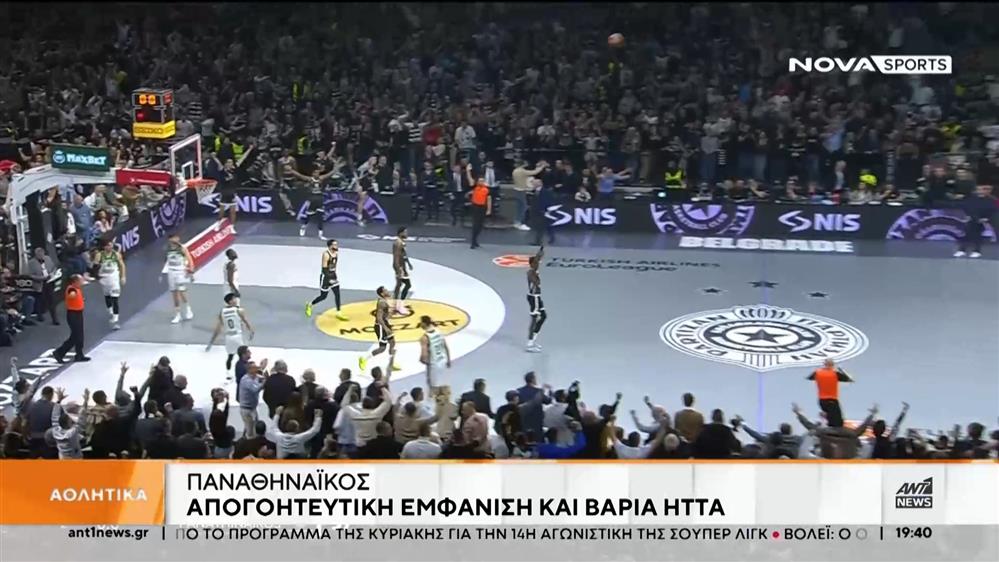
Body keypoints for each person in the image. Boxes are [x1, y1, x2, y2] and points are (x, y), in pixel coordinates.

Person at [206, 293, 255, 378]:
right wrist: (251, 331)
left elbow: (218, 327)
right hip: (237, 336)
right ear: (230, 301)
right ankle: (246, 372)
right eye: (234, 299)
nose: (236, 300)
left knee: (230, 356)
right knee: (244, 355)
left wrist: (212, 341)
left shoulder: (222, 311)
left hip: (229, 337)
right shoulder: (239, 310)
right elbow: (246, 322)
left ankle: (228, 373)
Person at [358, 287, 400, 373]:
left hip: (385, 324)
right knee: (382, 348)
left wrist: (392, 313)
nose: (388, 291)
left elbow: (385, 317)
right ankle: (364, 359)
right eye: (385, 290)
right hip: (380, 326)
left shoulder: (385, 301)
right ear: (382, 294)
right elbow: (379, 318)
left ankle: (391, 363)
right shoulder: (382, 303)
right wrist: (386, 328)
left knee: (392, 342)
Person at [305, 239, 348, 320]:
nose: (336, 246)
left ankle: (339, 312)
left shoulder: (336, 254)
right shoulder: (326, 254)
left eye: (336, 244)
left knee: (337, 294)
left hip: (333, 276)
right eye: (334, 245)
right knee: (323, 296)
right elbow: (324, 269)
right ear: (330, 246)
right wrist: (329, 279)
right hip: (326, 277)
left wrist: (334, 277)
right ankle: (310, 304)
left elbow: (334, 266)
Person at [52, 275, 90, 364]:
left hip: (78, 313)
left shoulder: (77, 288)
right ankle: (59, 352)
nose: (82, 282)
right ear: (75, 281)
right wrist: (73, 296)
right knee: (76, 336)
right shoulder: (72, 289)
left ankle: (79, 354)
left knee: (78, 336)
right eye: (81, 280)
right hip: (73, 314)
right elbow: (71, 295)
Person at [806, 358, 854, 428]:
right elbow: (850, 379)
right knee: (837, 423)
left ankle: (824, 421)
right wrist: (842, 370)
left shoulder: (817, 373)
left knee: (829, 418)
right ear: (833, 365)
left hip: (821, 400)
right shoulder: (835, 374)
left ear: (824, 364)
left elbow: (809, 377)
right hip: (832, 401)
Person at [954, 185, 996, 258]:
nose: (980, 191)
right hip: (972, 219)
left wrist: (986, 218)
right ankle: (961, 250)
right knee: (967, 234)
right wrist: (968, 215)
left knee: (977, 235)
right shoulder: (972, 199)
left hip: (983, 221)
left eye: (982, 190)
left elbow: (993, 211)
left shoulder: (992, 200)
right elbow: (967, 207)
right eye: (978, 190)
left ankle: (977, 251)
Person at [162, 233, 194, 324]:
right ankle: (177, 315)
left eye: (177, 237)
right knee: (174, 294)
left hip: (180, 272)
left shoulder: (182, 248)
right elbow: (165, 260)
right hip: (171, 273)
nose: (176, 239)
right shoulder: (167, 249)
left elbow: (189, 259)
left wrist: (191, 271)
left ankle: (188, 309)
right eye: (173, 238)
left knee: (181, 291)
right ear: (170, 239)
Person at [95, 237, 126, 330]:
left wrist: (123, 276)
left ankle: (116, 319)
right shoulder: (99, 255)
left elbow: (122, 265)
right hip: (104, 279)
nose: (111, 246)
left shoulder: (116, 254)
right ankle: (110, 311)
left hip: (114, 278)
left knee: (115, 298)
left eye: (111, 244)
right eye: (108, 245)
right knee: (107, 296)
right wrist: (97, 276)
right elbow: (94, 267)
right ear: (104, 247)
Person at [419, 315, 451, 399]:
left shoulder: (424, 338)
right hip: (443, 361)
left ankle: (434, 403)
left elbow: (424, 355)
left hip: (434, 365)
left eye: (421, 322)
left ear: (424, 323)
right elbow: (445, 346)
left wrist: (422, 360)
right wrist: (448, 359)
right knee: (444, 387)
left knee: (433, 389)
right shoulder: (439, 332)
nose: (420, 324)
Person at [237, 359, 269, 438]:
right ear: (249, 370)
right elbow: (255, 390)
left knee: (253, 426)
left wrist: (265, 377)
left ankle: (245, 438)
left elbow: (261, 377)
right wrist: (264, 383)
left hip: (252, 408)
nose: (257, 369)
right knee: (250, 431)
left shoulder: (255, 376)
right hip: (246, 410)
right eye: (254, 368)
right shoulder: (246, 380)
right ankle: (248, 442)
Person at [26, 247, 58, 325]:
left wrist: (53, 274)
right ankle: (39, 315)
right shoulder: (31, 263)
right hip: (39, 283)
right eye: (39, 255)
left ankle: (55, 319)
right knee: (40, 300)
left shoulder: (48, 259)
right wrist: (42, 278)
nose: (41, 256)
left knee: (51, 301)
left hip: (49, 282)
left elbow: (54, 268)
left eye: (42, 254)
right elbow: (30, 275)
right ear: (36, 255)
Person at [526, 246, 547, 352]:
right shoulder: (531, 272)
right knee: (534, 320)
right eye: (536, 262)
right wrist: (537, 278)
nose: (538, 263)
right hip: (533, 298)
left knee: (543, 316)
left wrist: (541, 251)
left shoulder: (535, 268)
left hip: (537, 297)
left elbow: (538, 257)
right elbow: (536, 282)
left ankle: (533, 340)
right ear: (532, 264)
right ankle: (529, 344)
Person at [467, 167, 491, 249]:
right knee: (475, 224)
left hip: (483, 207)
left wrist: (488, 209)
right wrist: (468, 171)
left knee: (480, 225)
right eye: (480, 181)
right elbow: (470, 180)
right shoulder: (474, 187)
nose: (481, 182)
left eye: (482, 181)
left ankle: (475, 240)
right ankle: (473, 241)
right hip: (475, 207)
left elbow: (489, 199)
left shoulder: (486, 189)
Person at [352, 156, 379, 227]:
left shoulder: (373, 166)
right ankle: (359, 219)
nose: (375, 160)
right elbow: (369, 172)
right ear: (369, 159)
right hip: (361, 184)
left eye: (375, 159)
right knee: (361, 201)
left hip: (366, 184)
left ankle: (362, 217)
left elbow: (372, 175)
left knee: (363, 201)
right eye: (373, 159)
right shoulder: (366, 165)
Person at [392, 227, 413, 315]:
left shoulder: (402, 242)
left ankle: (396, 305)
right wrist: (398, 269)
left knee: (399, 285)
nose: (406, 234)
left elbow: (404, 255)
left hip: (402, 266)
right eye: (405, 232)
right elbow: (396, 257)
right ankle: (399, 305)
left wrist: (408, 263)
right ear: (400, 233)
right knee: (406, 285)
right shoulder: (398, 243)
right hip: (400, 267)